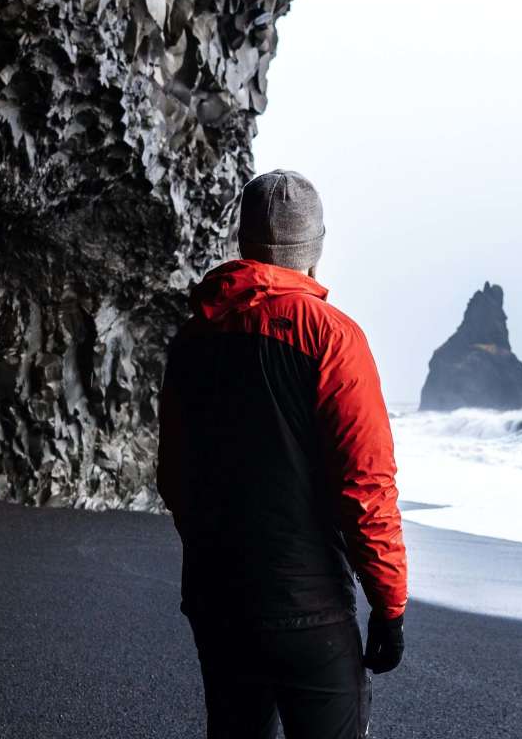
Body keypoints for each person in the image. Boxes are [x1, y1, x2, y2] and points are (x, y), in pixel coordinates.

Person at [156, 169, 408, 739]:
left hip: (217, 597)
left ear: (243, 243)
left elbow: (173, 475)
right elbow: (365, 487)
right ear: (315, 251)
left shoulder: (194, 337)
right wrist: (388, 605)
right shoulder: (331, 336)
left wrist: (216, 554)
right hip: (306, 604)